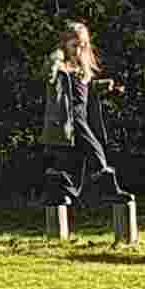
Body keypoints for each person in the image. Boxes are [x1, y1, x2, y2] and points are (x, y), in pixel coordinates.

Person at [39, 20, 125, 207]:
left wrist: (103, 86)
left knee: (72, 160)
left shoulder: (81, 68)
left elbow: (83, 91)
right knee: (96, 152)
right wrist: (55, 63)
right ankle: (108, 189)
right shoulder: (61, 66)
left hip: (82, 118)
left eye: (82, 46)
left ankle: (59, 193)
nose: (78, 50)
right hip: (68, 119)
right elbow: (48, 73)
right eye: (74, 46)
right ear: (65, 44)